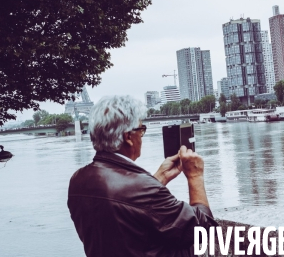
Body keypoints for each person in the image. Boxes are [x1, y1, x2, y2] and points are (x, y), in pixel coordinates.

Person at [68, 95, 216, 256]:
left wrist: (159, 178)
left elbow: (127, 222)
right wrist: (195, 176)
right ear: (128, 137)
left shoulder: (78, 179)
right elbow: (204, 231)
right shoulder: (142, 188)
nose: (142, 135)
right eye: (141, 129)